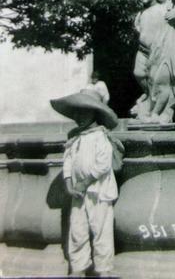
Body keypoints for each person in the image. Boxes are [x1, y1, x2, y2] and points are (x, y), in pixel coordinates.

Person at [50, 89, 119, 277]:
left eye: (84, 112)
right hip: (79, 193)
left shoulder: (100, 137)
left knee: (101, 230)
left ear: (95, 113)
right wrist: (69, 184)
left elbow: (102, 165)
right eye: (77, 112)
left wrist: (85, 182)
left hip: (99, 191)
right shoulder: (75, 138)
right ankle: (79, 266)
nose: (79, 116)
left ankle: (103, 269)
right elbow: (68, 162)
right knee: (77, 230)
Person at [131, 0, 175, 124]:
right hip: (144, 50)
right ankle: (148, 96)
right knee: (138, 73)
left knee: (158, 81)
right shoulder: (143, 12)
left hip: (161, 52)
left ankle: (160, 111)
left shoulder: (166, 7)